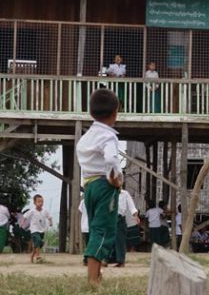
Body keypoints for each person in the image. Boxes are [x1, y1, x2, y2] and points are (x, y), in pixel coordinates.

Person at [76, 88, 123, 288]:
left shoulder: (87, 137)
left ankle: (96, 273)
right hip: (105, 186)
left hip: (89, 186)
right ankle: (93, 280)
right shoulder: (109, 137)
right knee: (103, 231)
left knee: (96, 228)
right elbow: (111, 158)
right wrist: (114, 178)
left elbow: (81, 155)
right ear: (115, 112)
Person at [110, 189, 139, 267]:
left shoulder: (125, 193)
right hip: (109, 217)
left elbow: (131, 206)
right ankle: (107, 260)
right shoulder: (108, 191)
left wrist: (135, 215)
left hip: (120, 218)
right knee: (108, 239)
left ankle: (120, 261)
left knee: (120, 240)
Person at [23, 194, 53, 263]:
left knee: (39, 244)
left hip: (42, 230)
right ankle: (38, 256)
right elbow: (25, 216)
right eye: (39, 202)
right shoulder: (32, 211)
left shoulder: (45, 211)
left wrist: (50, 222)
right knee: (38, 240)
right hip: (34, 230)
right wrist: (23, 223)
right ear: (34, 203)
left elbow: (49, 217)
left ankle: (32, 256)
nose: (41, 203)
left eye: (42, 202)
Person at [78, 198, 89, 265]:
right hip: (92, 225)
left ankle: (86, 258)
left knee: (88, 243)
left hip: (85, 225)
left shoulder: (83, 201)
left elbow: (80, 210)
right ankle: (87, 258)